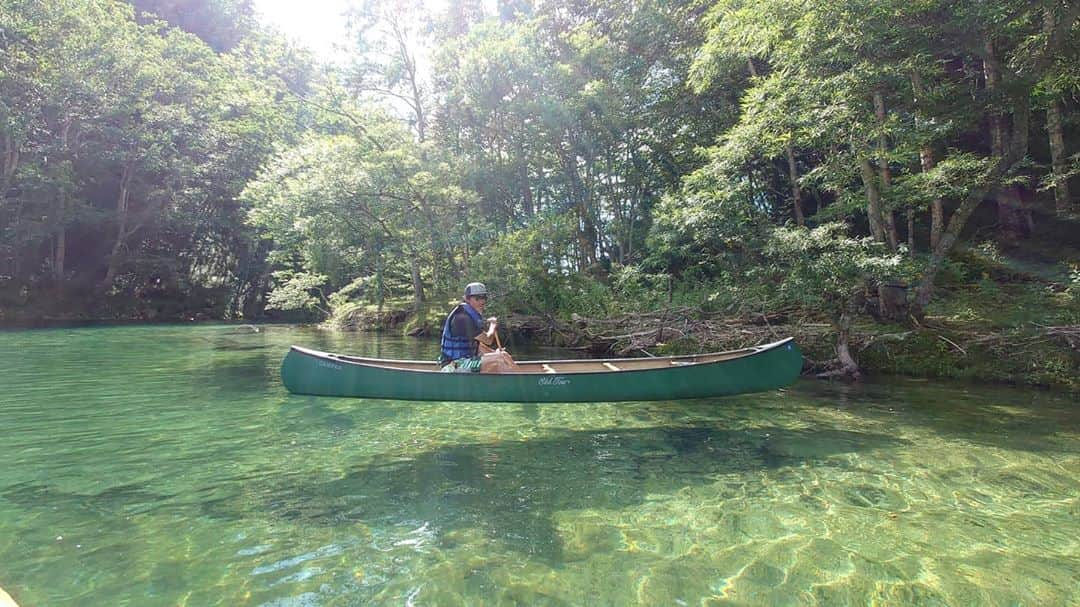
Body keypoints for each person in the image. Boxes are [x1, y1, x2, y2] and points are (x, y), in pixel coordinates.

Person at [439, 282, 498, 371]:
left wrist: (494, 353)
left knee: (502, 356)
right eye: (477, 298)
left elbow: (478, 345)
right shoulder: (462, 319)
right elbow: (488, 340)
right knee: (498, 360)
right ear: (467, 299)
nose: (482, 301)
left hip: (465, 362)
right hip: (453, 366)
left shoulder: (470, 315)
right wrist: (493, 326)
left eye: (484, 298)